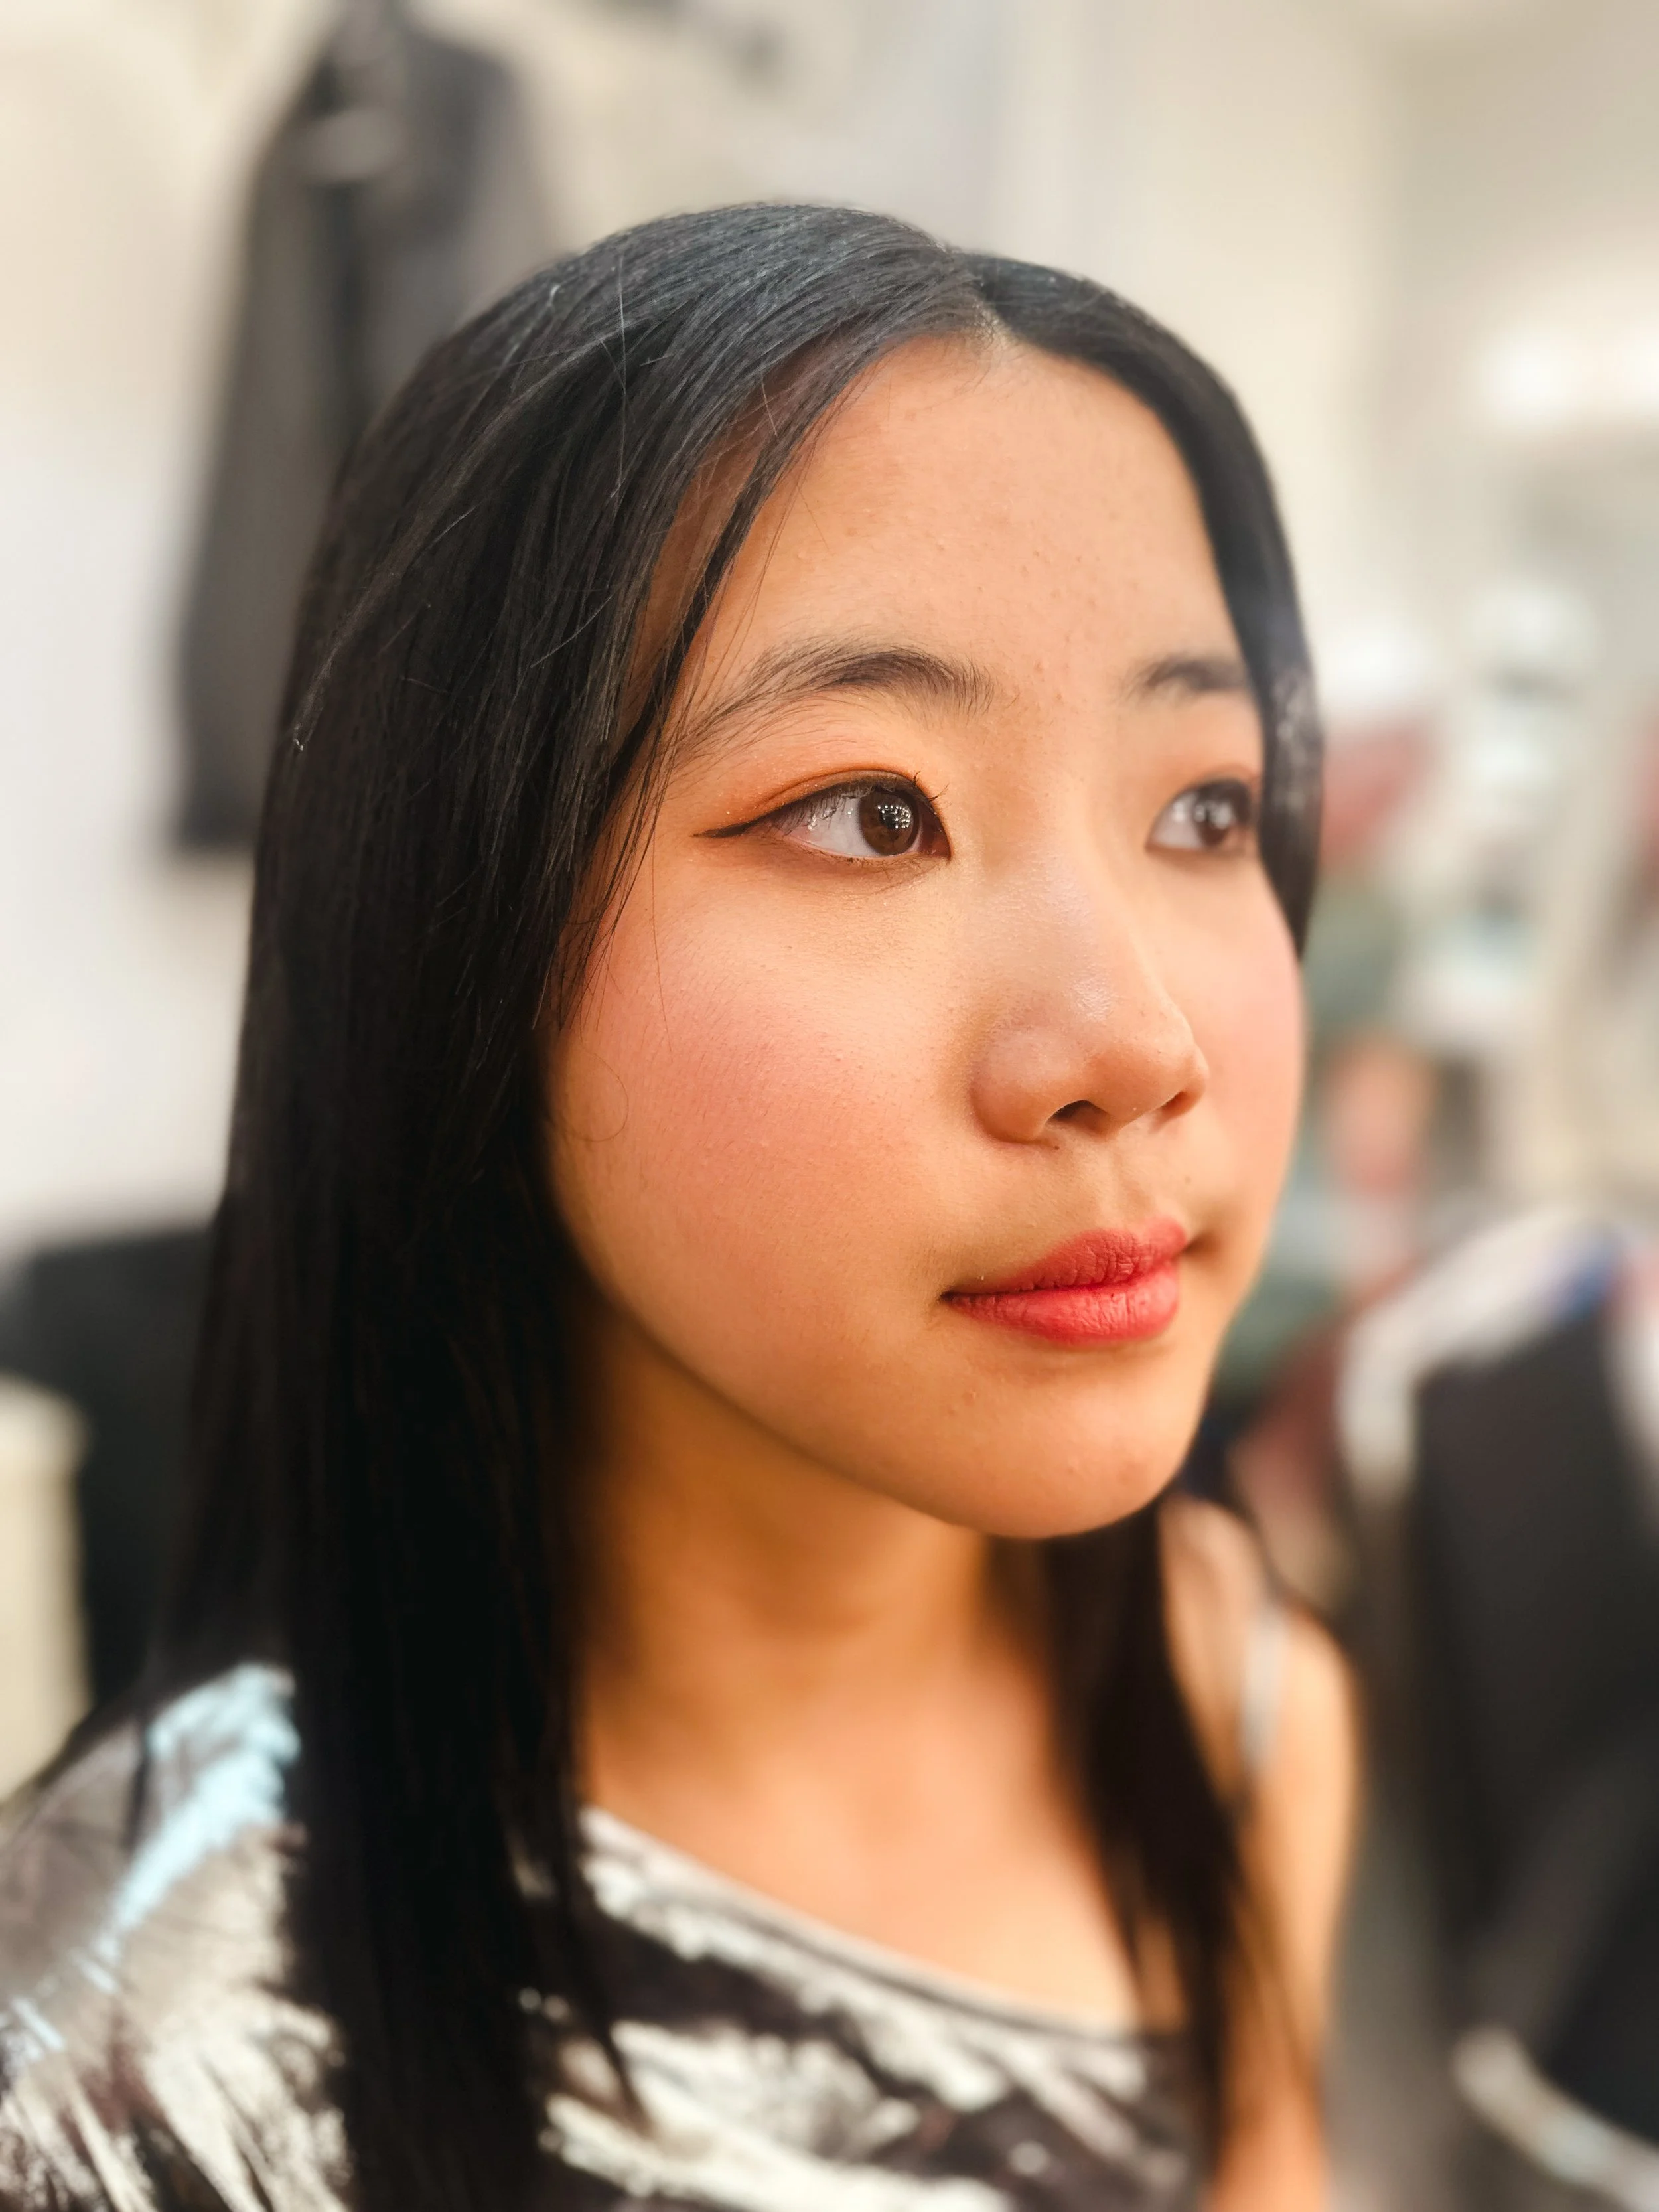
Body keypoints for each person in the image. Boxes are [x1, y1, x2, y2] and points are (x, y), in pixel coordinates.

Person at [0, 204, 1356, 2212]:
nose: (1137, 1044)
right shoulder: (125, 2087)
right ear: (452, 939)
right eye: (871, 811)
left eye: (1201, 810)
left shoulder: (1231, 1694)